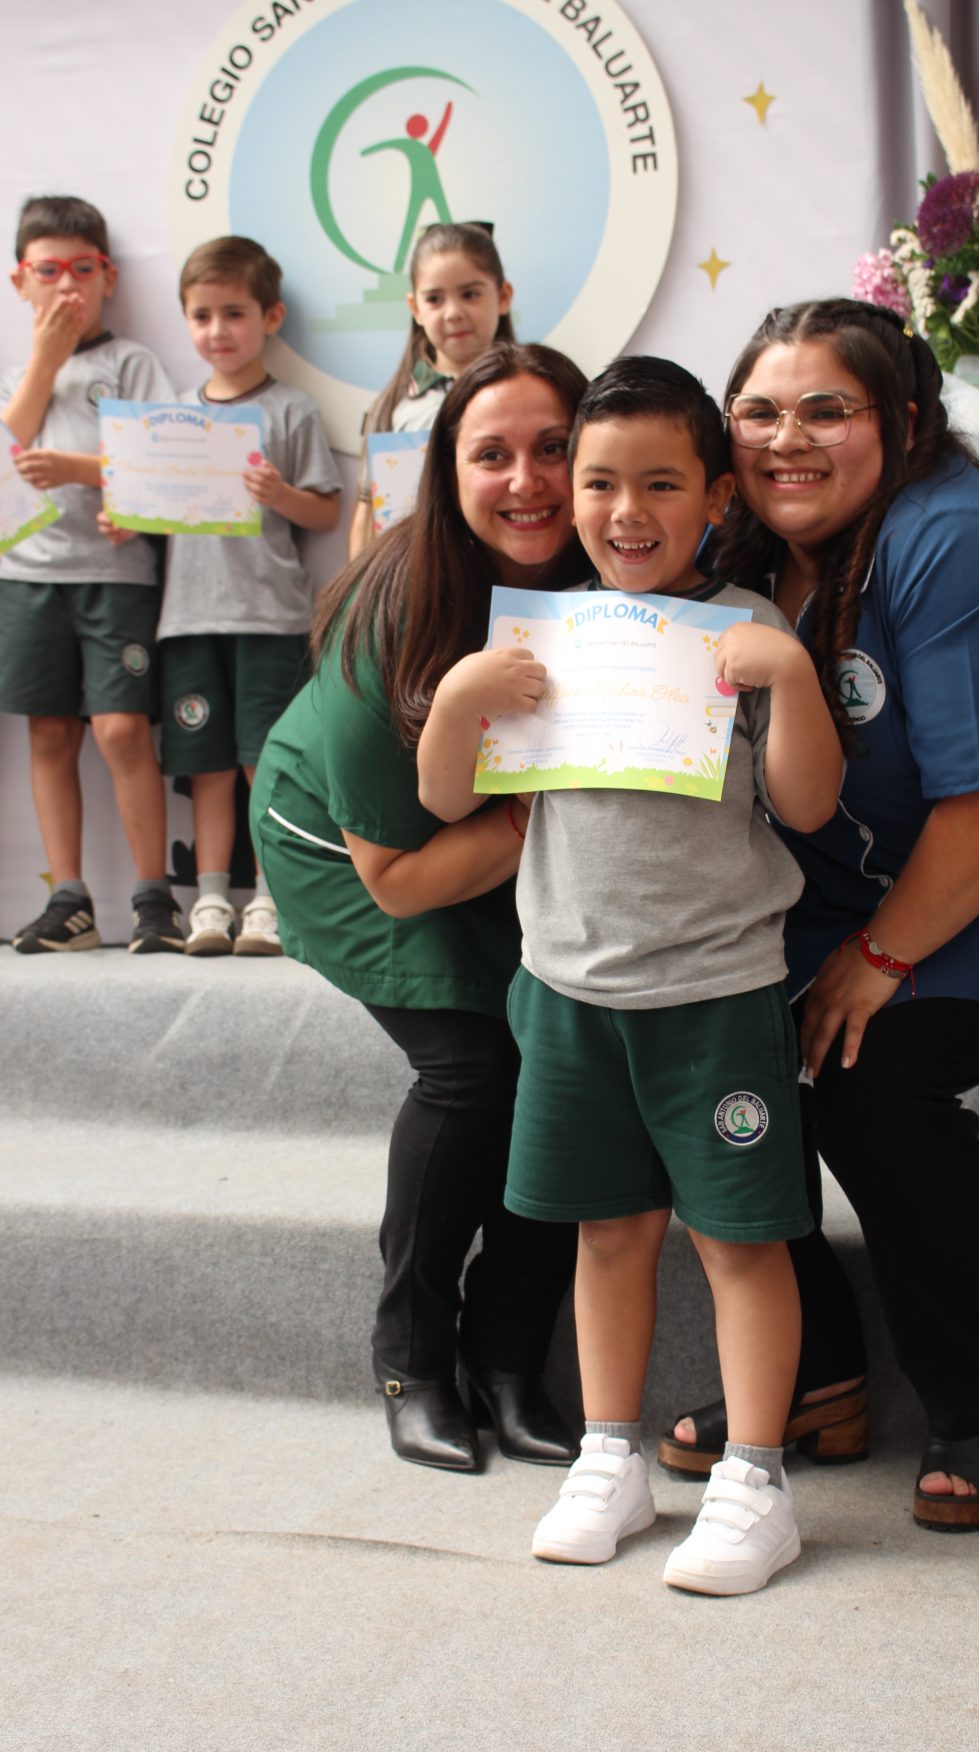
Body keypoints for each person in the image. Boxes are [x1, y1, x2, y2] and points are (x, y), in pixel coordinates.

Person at [664, 298, 979, 1532]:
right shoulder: (740, 546)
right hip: (845, 889)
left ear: (906, 422)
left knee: (871, 1081)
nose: (790, 438)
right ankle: (815, 1373)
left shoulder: (957, 541)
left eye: (829, 409)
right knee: (685, 1047)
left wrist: (877, 962)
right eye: (761, 411)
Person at [418, 357, 844, 1595]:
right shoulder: (537, 633)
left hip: (715, 997)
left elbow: (810, 807)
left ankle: (756, 1479)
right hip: (568, 994)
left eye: (662, 483)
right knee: (609, 1235)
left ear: (718, 493)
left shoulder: (750, 631)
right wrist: (458, 699)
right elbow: (448, 797)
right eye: (599, 481)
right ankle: (613, 1456)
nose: (624, 511)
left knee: (738, 1240)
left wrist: (797, 680)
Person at [251, 341, 588, 1473]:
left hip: (506, 832)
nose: (529, 480)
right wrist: (546, 816)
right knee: (476, 1067)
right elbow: (397, 878)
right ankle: (414, 1360)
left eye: (554, 448)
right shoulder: (386, 613)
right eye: (493, 455)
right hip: (356, 853)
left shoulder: (615, 568)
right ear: (447, 472)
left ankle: (509, 1361)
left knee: (565, 1057)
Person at [1, 195, 183, 955]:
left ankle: (153, 900)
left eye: (83, 269)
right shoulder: (21, 370)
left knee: (120, 729)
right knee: (50, 733)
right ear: (20, 281)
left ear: (108, 275)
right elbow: (13, 443)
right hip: (30, 575)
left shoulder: (131, 362)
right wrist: (45, 357)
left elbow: (173, 462)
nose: (67, 285)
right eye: (49, 271)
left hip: (117, 577)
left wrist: (117, 493)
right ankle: (69, 899)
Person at [154, 236, 341, 957]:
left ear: (271, 316)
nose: (217, 331)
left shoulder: (291, 409)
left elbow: (324, 512)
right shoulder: (169, 417)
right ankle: (208, 898)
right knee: (204, 761)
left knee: (265, 759)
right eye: (201, 315)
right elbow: (154, 512)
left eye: (234, 313)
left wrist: (280, 493)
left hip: (270, 615)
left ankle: (269, 897)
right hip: (188, 617)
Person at [347, 222, 513, 557]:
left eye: (470, 294)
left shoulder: (526, 394)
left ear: (503, 296)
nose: (453, 313)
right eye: (435, 299)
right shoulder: (395, 404)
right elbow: (367, 512)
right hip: (417, 578)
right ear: (415, 308)